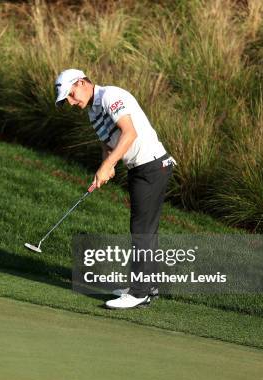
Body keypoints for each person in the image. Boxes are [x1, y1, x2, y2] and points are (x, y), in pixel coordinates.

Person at [54, 69, 176, 309]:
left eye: (70, 95)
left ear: (81, 82)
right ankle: (147, 286)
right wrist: (105, 167)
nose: (70, 102)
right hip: (141, 168)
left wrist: (108, 165)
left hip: (151, 166)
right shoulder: (92, 111)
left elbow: (130, 134)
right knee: (145, 231)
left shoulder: (110, 96)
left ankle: (139, 292)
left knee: (141, 230)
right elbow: (107, 142)